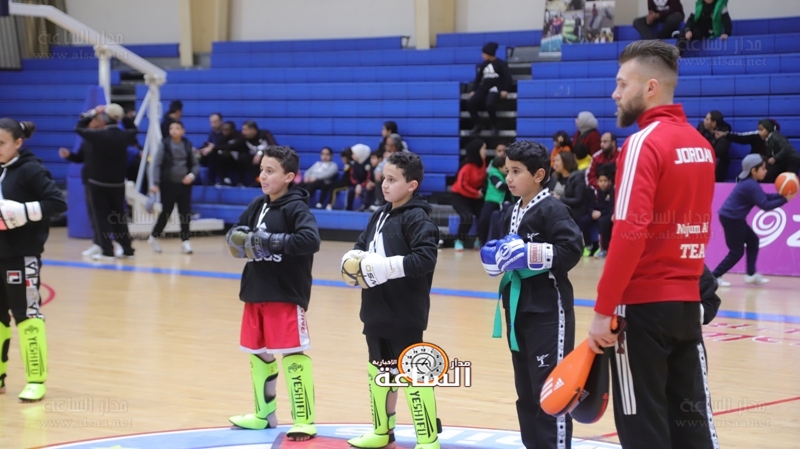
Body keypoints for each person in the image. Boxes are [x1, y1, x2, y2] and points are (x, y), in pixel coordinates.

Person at [588, 41, 720, 448]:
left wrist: (603, 310)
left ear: (650, 88)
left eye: (621, 84)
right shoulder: (701, 146)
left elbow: (629, 232)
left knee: (643, 430)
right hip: (687, 307)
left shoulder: (642, 143)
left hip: (641, 311)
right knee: (691, 428)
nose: (615, 93)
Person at [479, 140, 583, 449]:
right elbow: (506, 254)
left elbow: (572, 249)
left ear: (539, 175)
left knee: (551, 392)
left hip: (548, 312)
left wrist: (529, 253)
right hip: (517, 310)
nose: (509, 178)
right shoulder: (512, 210)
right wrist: (495, 259)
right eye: (507, 171)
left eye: (516, 171)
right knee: (525, 393)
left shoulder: (553, 209)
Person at [340, 151, 442, 449]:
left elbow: (425, 259)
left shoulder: (418, 218)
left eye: (392, 179)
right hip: (374, 310)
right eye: (384, 178)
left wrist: (387, 267)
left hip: (405, 313)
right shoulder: (379, 214)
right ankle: (382, 431)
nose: (384, 184)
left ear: (411, 185)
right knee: (380, 371)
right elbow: (361, 246)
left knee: (413, 373)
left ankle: (427, 439)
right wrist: (352, 261)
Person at [225, 146, 320, 441]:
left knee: (292, 355)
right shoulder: (258, 204)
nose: (263, 176)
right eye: (262, 170)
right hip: (255, 290)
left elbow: (310, 240)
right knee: (258, 354)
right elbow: (237, 231)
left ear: (289, 176)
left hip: (284, 293)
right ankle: (264, 415)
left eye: (270, 171)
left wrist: (271, 241)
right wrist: (239, 238)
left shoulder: (296, 208)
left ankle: (303, 419)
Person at [0, 119, 67, 402]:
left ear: (18, 143)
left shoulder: (30, 169)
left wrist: (24, 212)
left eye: (2, 143)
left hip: (21, 256)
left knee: (27, 316)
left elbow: (58, 203)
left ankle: (35, 380)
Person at [711, 154, 795, 287]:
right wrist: (785, 199)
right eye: (763, 168)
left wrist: (781, 195)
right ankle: (714, 276)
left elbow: (765, 196)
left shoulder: (750, 183)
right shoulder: (750, 185)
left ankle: (750, 274)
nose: (766, 171)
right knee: (736, 252)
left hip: (733, 218)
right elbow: (765, 205)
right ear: (753, 170)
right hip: (732, 219)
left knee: (753, 241)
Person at [73, 104, 138, 261]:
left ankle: (107, 251)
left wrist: (93, 112)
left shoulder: (98, 135)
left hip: (98, 183)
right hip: (118, 183)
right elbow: (134, 129)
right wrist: (124, 116)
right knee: (119, 217)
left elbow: (79, 128)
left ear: (105, 118)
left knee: (101, 217)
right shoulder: (124, 136)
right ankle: (127, 249)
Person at [59, 112, 121, 257]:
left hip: (104, 181)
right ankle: (98, 243)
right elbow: (80, 157)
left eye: (91, 120)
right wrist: (69, 156)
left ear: (100, 121)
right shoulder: (88, 138)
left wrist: (95, 113)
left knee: (109, 215)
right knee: (94, 216)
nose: (88, 123)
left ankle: (113, 245)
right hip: (90, 180)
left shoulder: (104, 137)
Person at [148, 121, 199, 255]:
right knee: (166, 212)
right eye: (171, 128)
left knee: (185, 213)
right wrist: (155, 183)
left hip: (184, 185)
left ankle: (185, 241)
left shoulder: (187, 145)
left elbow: (195, 164)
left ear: (183, 131)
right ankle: (154, 236)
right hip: (168, 184)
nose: (174, 130)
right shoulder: (164, 145)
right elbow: (156, 164)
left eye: (177, 128)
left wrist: (191, 176)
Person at [468, 42, 512, 136]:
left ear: (489, 53)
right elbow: (478, 78)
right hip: (484, 87)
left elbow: (507, 77)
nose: (482, 55)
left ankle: (494, 125)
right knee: (471, 102)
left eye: (484, 53)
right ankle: (478, 124)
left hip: (495, 87)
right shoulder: (483, 65)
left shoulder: (501, 64)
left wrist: (505, 90)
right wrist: (474, 90)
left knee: (490, 104)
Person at [451, 139, 487, 251]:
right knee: (467, 217)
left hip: (476, 197)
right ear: (477, 150)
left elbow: (484, 179)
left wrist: (482, 191)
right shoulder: (466, 166)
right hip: (460, 196)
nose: (486, 151)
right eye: (484, 149)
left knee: (484, 217)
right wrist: (476, 193)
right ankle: (459, 240)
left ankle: (479, 240)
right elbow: (462, 185)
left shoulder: (483, 162)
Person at [477, 155, 510, 245]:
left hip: (500, 202)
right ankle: (481, 241)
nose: (507, 169)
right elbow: (499, 185)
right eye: (505, 167)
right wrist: (513, 186)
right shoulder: (493, 174)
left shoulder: (505, 175)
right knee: (484, 220)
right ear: (500, 167)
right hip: (491, 201)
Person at [757, 119, 800, 184]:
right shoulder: (767, 140)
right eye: (759, 130)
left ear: (768, 129)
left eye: (761, 130)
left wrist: (775, 158)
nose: (759, 132)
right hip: (782, 161)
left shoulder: (776, 136)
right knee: (769, 175)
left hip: (792, 160)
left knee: (790, 180)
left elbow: (786, 148)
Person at [697, 110, 732, 182]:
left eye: (707, 119)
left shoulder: (724, 131)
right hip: (703, 156)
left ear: (713, 123)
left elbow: (719, 152)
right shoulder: (701, 126)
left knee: (717, 161)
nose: (704, 120)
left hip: (718, 161)